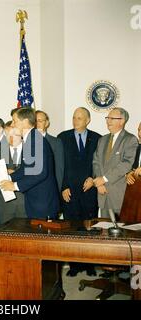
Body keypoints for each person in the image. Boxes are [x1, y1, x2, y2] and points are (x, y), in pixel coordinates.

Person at [58, 107, 100, 277]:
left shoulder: (97, 138)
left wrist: (93, 178)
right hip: (70, 191)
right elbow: (59, 166)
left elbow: (100, 164)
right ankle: (74, 265)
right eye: (74, 117)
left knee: (89, 229)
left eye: (80, 118)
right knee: (72, 229)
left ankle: (89, 264)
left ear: (88, 120)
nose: (75, 121)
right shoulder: (63, 137)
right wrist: (63, 187)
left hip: (89, 191)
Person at [0, 108, 59, 219]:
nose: (12, 125)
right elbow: (25, 170)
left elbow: (40, 173)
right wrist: (7, 178)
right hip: (36, 201)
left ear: (25, 122)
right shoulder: (30, 139)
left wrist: (14, 186)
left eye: (14, 121)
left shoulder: (35, 140)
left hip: (43, 204)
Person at [93, 107, 138, 217]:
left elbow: (126, 164)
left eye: (112, 118)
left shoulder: (130, 139)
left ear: (122, 121)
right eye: (107, 118)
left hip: (119, 196)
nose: (108, 121)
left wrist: (103, 179)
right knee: (105, 230)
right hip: (102, 193)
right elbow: (96, 162)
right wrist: (99, 183)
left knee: (122, 232)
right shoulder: (102, 140)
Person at [0, 121, 26, 223]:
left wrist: (14, 172)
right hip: (5, 202)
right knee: (6, 234)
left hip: (25, 200)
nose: (10, 138)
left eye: (13, 134)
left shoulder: (30, 149)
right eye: (7, 135)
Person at [35, 110, 64, 192]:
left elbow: (59, 169)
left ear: (47, 123)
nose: (37, 123)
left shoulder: (56, 142)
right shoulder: (27, 141)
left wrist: (57, 190)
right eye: (35, 121)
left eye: (40, 121)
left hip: (49, 189)